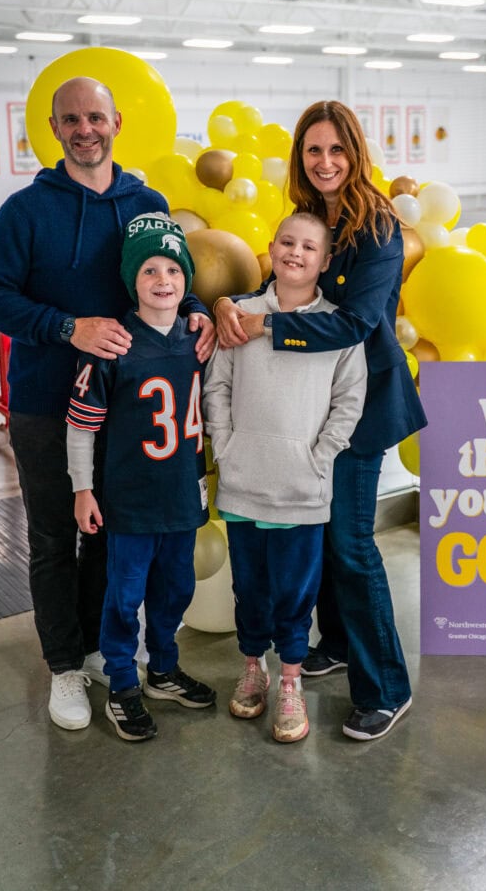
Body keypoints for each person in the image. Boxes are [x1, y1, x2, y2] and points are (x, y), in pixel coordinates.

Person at [0, 77, 215, 732]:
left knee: (109, 537)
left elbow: (169, 274)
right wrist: (66, 327)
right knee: (56, 540)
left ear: (116, 122)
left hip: (130, 412)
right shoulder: (27, 210)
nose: (86, 129)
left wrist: (194, 312)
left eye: (96, 118)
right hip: (47, 405)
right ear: (55, 129)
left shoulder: (148, 200)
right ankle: (64, 668)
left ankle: (105, 651)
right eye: (72, 119)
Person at [214, 100, 427, 742]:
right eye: (313, 150)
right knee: (323, 529)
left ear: (355, 152)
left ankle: (386, 687)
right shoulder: (310, 221)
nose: (325, 161)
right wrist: (228, 301)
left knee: (350, 545)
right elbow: (271, 288)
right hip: (301, 408)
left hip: (358, 407)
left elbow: (356, 324)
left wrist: (266, 324)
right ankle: (334, 640)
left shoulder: (379, 226)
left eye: (337, 149)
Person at [204, 213, 366, 743]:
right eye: (288, 242)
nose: (296, 253)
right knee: (250, 586)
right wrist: (225, 446)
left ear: (324, 261)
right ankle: (254, 666)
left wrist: (319, 457)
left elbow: (348, 401)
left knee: (296, 591)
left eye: (310, 247)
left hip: (302, 485)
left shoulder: (338, 327)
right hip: (245, 479)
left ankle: (292, 679)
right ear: (271, 248)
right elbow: (217, 388)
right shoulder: (241, 315)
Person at [67, 212, 216, 741]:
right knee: (124, 595)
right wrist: (83, 488)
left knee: (175, 589)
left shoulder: (198, 341)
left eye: (173, 271)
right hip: (129, 501)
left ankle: (162, 668)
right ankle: (122, 682)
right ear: (133, 280)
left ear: (186, 281)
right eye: (150, 270)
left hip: (181, 494)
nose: (163, 281)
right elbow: (80, 426)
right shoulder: (113, 345)